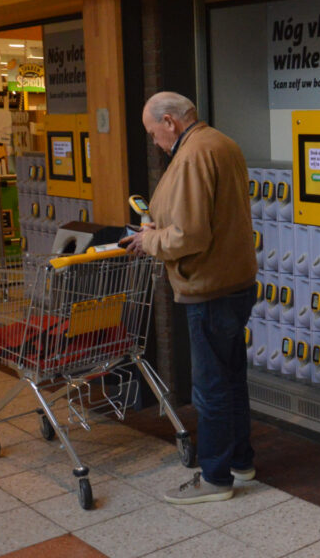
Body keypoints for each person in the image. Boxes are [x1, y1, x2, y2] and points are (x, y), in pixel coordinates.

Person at [120, 91, 258, 504]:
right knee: (232, 381)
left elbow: (189, 235)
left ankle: (215, 478)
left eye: (152, 132)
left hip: (209, 288)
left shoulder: (193, 155)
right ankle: (240, 461)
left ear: (170, 121)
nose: (155, 142)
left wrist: (150, 241)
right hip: (235, 281)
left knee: (211, 388)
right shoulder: (221, 142)